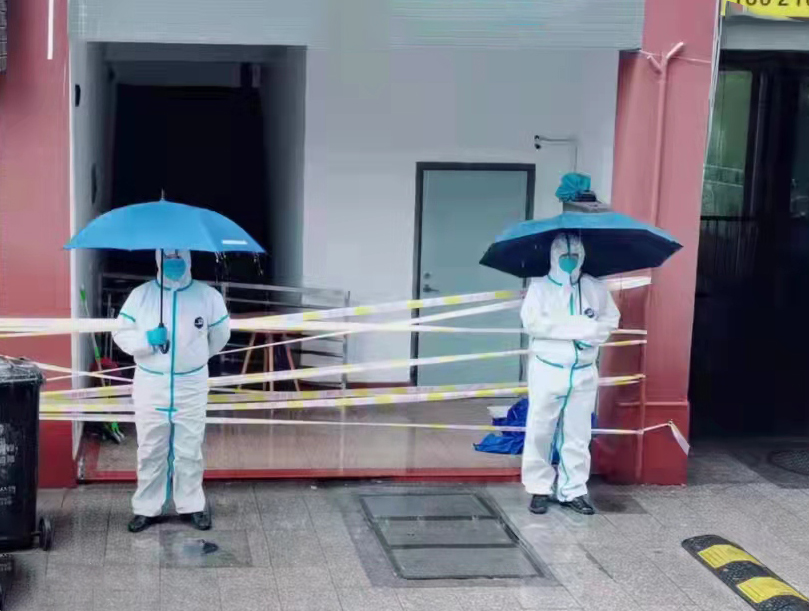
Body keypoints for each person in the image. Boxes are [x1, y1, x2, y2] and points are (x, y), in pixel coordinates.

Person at [113, 249, 230, 532]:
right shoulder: (141, 296)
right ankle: (146, 508)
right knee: (150, 447)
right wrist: (147, 340)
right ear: (158, 258)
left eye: (179, 254)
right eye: (168, 255)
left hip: (191, 384)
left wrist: (195, 357)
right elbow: (121, 333)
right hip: (151, 383)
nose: (174, 260)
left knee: (189, 448)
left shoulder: (208, 297)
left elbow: (220, 336)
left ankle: (192, 505)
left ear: (189, 258)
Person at [520, 233, 620, 516]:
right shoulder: (540, 288)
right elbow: (533, 324)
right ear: (553, 257)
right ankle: (539, 488)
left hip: (584, 371)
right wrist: (581, 327)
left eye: (574, 256)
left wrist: (590, 334)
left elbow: (610, 320)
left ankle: (573, 490)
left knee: (578, 432)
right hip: (548, 370)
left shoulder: (595, 288)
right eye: (564, 256)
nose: (569, 262)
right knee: (540, 430)